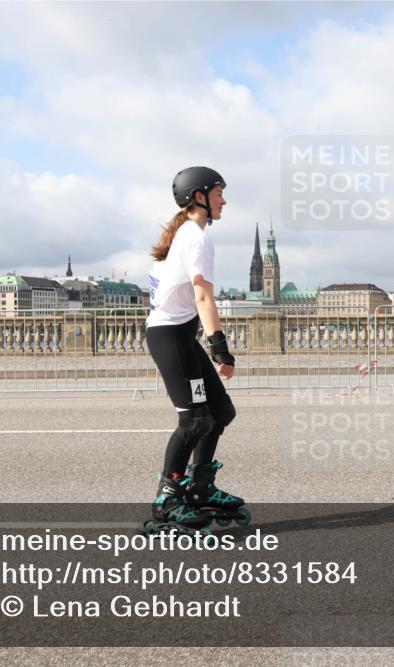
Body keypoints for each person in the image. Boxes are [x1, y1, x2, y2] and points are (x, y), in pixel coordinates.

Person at [144, 166, 245, 531]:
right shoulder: (196, 239)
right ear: (198, 196)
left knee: (219, 411)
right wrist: (220, 346)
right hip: (171, 336)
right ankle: (168, 498)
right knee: (195, 420)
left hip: (179, 336)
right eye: (219, 193)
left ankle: (200, 486)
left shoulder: (181, 236)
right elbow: (203, 295)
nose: (224, 201)